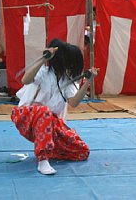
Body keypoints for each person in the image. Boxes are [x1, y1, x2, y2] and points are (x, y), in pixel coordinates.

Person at [11, 39, 98, 175]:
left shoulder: (68, 80)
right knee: (44, 111)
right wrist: (44, 58)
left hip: (50, 125)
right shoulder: (43, 72)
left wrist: (88, 82)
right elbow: (25, 80)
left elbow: (73, 102)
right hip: (26, 117)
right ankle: (43, 159)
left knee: (81, 151)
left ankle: (49, 148)